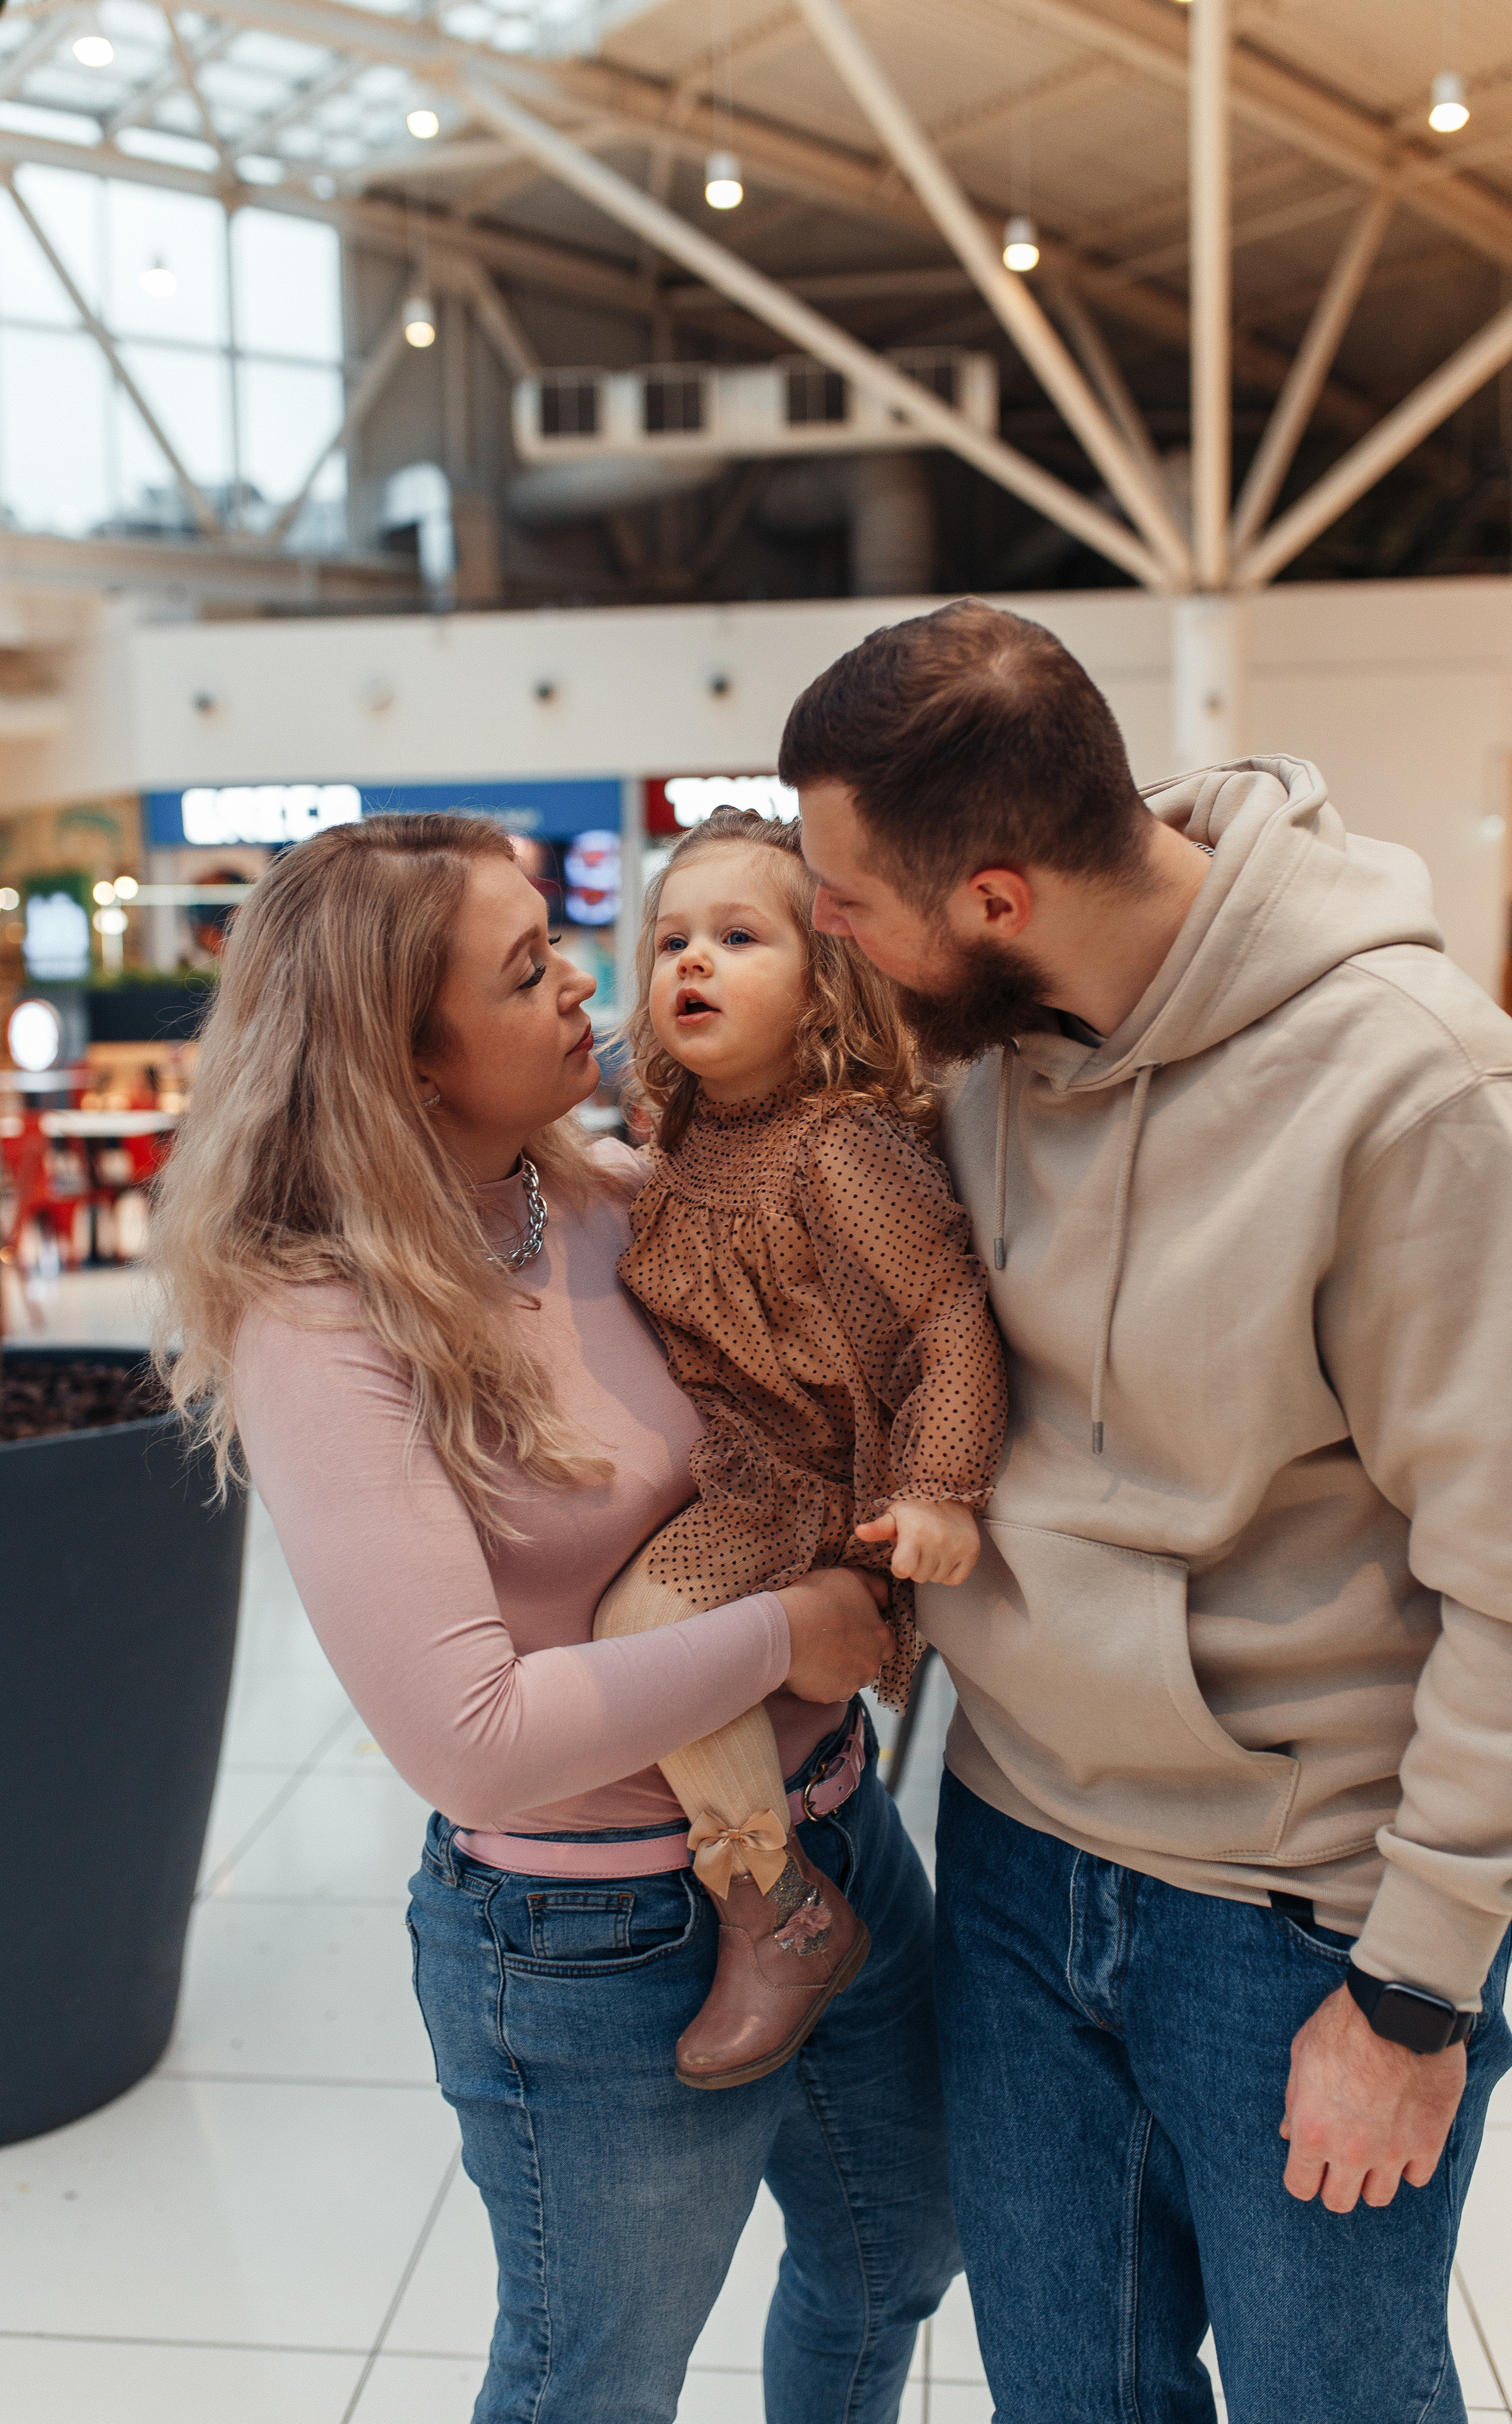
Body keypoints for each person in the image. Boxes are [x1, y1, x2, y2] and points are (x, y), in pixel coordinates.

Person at [782, 598, 1512, 2424]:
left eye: (850, 899)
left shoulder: (1414, 1090)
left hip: (1297, 1907)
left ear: (998, 897)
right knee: (1070, 2402)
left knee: (1332, 2400)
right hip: (1021, 1850)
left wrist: (1417, 1998)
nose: (824, 933)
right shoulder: (983, 1042)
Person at [148, 811, 962, 2424]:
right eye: (528, 973)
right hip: (600, 1942)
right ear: (409, 1057)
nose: (592, 983)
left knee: (895, 2260)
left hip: (840, 1840)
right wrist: (790, 1636)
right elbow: (472, 1743)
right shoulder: (323, 1315)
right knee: (597, 2378)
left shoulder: (602, 1192)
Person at [595, 807, 1005, 2089]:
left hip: (825, 1487)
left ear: (822, 984)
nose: (691, 967)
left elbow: (947, 1313)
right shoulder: (689, 1137)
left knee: (640, 1629)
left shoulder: (836, 1150)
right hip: (747, 1470)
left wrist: (938, 1487)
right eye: (670, 943)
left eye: (734, 937)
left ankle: (772, 1903)